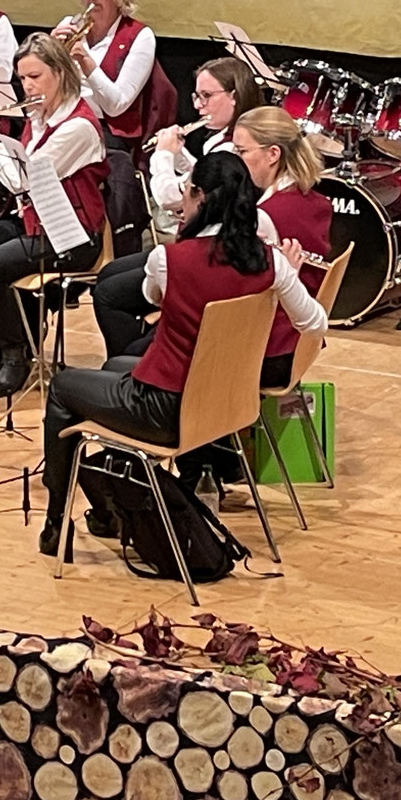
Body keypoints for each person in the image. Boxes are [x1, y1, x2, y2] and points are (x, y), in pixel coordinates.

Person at [38, 151, 326, 559]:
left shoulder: (166, 259)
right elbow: (315, 324)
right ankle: (112, 503)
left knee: (64, 387)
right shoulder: (272, 263)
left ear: (202, 198)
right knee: (118, 366)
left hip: (168, 411)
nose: (183, 202)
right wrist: (287, 282)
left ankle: (58, 522)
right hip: (228, 407)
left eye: (188, 192)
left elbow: (149, 296)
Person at [0, 33, 109, 402]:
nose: (27, 86)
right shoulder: (38, 115)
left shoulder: (78, 126)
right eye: (23, 79)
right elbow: (16, 169)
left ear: (61, 74)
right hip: (33, 222)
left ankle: (17, 357)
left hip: (71, 233)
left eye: (35, 77)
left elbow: (22, 182)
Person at [92, 55, 264, 359]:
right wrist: (179, 152)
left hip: (211, 251)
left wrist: (161, 156)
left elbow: (174, 198)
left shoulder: (234, 146)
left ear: (235, 97)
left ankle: (137, 365)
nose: (198, 105)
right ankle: (140, 354)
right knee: (110, 275)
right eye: (196, 95)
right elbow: (199, 178)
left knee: (109, 292)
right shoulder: (220, 140)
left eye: (207, 96)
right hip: (205, 244)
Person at [230, 106, 334, 377]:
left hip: (271, 348)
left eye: (241, 151)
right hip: (300, 342)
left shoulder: (266, 216)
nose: (236, 159)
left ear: (273, 154)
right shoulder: (314, 200)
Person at [54, 0, 168, 148]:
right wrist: (47, 52)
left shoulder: (140, 36)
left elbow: (116, 106)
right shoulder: (69, 25)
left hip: (106, 131)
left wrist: (85, 60)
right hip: (62, 121)